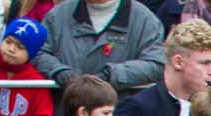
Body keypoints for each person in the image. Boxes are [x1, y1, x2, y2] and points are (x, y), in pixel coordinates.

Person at [36, 0, 167, 95]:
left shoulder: (144, 20)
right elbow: (37, 52)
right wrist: (60, 72)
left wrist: (110, 75)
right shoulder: (58, 15)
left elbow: (156, 64)